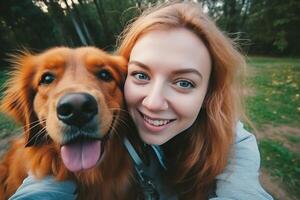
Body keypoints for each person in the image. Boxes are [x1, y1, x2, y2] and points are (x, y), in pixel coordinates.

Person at [10, 2, 272, 200]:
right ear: (126, 80)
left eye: (184, 82)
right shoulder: (123, 117)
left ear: (209, 94)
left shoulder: (236, 143)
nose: (154, 103)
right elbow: (45, 182)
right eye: (140, 75)